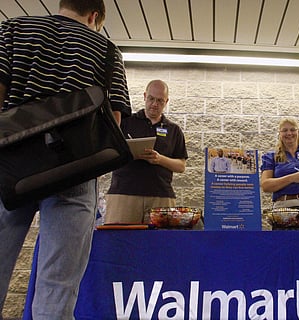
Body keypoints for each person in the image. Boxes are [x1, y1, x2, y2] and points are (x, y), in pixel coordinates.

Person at [0, 0, 131, 318]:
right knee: (58, 286)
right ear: (95, 16)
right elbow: (112, 122)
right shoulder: (107, 50)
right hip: (74, 170)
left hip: (9, 169)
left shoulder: (14, 28)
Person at [105, 80, 188, 224]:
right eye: (151, 98)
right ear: (144, 96)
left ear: (166, 101)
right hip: (123, 194)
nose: (155, 104)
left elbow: (181, 166)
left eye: (160, 100)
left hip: (161, 196)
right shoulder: (125, 122)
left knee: (161, 245)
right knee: (119, 242)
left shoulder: (174, 130)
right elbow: (108, 153)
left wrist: (160, 159)